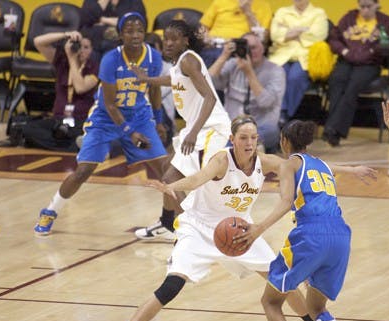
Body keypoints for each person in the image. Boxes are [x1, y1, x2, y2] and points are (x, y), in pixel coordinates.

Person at [103, 115, 371, 321]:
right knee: (172, 285)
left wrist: (351, 168)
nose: (249, 143)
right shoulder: (222, 161)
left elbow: (308, 164)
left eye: (253, 137)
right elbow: (198, 179)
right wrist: (172, 187)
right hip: (198, 229)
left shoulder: (263, 161)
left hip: (241, 230)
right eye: (243, 137)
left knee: (282, 281)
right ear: (233, 139)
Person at [232, 119, 376, 321]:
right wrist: (354, 169)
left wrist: (258, 228)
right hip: (341, 236)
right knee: (316, 305)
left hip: (311, 235)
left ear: (285, 142)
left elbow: (286, 202)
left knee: (271, 301)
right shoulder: (318, 164)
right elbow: (334, 168)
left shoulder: (289, 164)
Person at [33, 12, 169, 236]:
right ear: (121, 34)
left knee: (165, 170)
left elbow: (153, 89)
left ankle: (168, 221)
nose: (135, 35)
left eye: (139, 30)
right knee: (84, 171)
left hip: (139, 116)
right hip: (105, 118)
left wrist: (159, 121)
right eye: (129, 31)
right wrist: (130, 133)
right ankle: (50, 210)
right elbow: (111, 105)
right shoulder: (110, 60)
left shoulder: (153, 57)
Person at [131, 20, 232, 242]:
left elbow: (210, 97)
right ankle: (167, 223)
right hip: (196, 128)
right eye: (166, 39)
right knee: (169, 170)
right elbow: (173, 79)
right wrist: (147, 80)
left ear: (186, 41)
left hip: (209, 129)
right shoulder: (179, 64)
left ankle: (191, 234)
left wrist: (194, 132)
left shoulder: (188, 60)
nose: (168, 43)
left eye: (174, 39)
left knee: (175, 180)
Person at [322, 0, 389, 147]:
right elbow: (334, 38)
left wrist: (370, 52)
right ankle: (333, 129)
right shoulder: (349, 18)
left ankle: (333, 130)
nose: (364, 10)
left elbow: (388, 45)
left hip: (370, 64)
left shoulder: (385, 23)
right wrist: (344, 51)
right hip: (346, 60)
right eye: (361, 6)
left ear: (377, 5)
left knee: (353, 85)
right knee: (336, 80)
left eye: (368, 6)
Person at [14, 30, 99, 152]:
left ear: (92, 50)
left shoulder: (94, 67)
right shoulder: (61, 61)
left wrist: (72, 59)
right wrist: (65, 35)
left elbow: (80, 88)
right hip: (59, 119)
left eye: (86, 47)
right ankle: (73, 146)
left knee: (82, 132)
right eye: (79, 46)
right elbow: (38, 42)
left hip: (81, 120)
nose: (81, 50)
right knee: (28, 129)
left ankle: (66, 143)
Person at [209, 32, 285, 153]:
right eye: (246, 48)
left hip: (261, 127)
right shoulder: (232, 64)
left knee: (271, 131)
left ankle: (237, 148)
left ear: (263, 48)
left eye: (253, 47)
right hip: (232, 126)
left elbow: (266, 102)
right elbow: (209, 83)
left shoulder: (276, 71)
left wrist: (249, 72)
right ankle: (249, 149)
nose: (250, 52)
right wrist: (224, 56)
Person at [268, 0, 329, 126]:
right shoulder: (282, 11)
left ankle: (285, 114)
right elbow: (274, 34)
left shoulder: (318, 13)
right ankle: (280, 113)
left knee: (295, 77)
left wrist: (289, 32)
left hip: (305, 55)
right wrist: (302, 30)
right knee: (278, 75)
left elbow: (318, 35)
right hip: (282, 54)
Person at [198, 0, 273, 67]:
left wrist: (248, 11)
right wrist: (206, 39)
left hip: (239, 49)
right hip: (213, 45)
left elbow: (263, 38)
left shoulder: (263, 5)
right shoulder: (220, 2)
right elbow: (203, 28)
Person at [79, 0, 146, 58]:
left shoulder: (133, 2)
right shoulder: (93, 1)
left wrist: (102, 19)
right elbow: (85, 19)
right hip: (94, 45)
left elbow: (134, 23)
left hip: (118, 45)